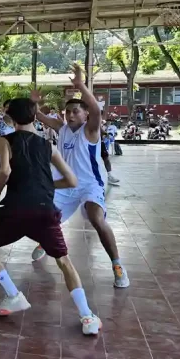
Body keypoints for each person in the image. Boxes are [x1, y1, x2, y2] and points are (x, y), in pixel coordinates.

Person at [0, 98, 101, 335]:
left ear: (11, 118)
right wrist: (45, 185)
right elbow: (72, 181)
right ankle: (87, 317)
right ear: (34, 117)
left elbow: (5, 171)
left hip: (15, 210)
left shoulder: (4, 140)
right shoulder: (47, 146)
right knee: (64, 262)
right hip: (44, 211)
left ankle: (13, 294)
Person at [33, 64, 129, 288]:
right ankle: (44, 242)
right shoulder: (62, 128)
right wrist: (35, 102)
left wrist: (81, 86)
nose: (71, 114)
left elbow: (96, 110)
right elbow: (38, 115)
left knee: (97, 219)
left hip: (89, 185)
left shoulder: (91, 129)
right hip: (65, 185)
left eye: (76, 111)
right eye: (68, 112)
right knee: (45, 217)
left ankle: (117, 265)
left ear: (85, 114)